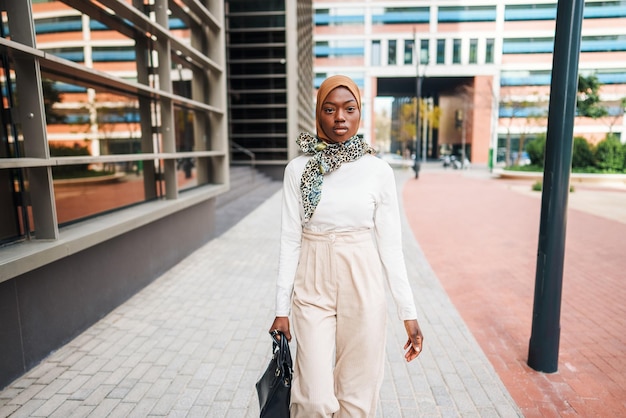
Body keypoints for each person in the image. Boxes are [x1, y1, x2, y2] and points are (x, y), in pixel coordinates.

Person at [269, 75, 424, 417]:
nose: (340, 117)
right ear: (319, 114)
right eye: (330, 109)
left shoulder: (378, 171)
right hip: (313, 278)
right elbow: (289, 239)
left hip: (362, 277)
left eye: (349, 108)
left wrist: (408, 313)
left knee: (356, 397)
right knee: (313, 399)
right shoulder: (298, 170)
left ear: (359, 114)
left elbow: (391, 246)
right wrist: (281, 309)